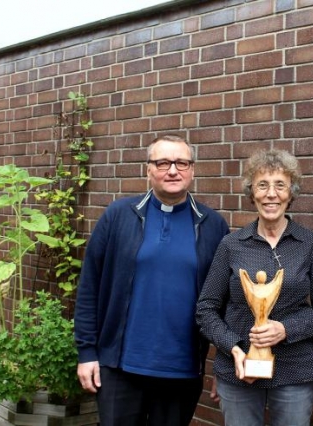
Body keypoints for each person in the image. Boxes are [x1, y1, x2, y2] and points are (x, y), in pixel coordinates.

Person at [74, 134, 229, 426]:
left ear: (192, 169)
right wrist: (87, 353)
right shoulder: (118, 216)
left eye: (181, 162)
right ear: (148, 170)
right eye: (162, 163)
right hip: (120, 367)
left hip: (181, 371)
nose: (173, 170)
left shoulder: (213, 225)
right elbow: (89, 288)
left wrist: (223, 366)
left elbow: (224, 302)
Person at [196, 149, 313, 426]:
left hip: (295, 370)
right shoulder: (231, 245)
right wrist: (234, 349)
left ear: (291, 193)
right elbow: (206, 309)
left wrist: (285, 330)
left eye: (280, 185)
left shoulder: (310, 244)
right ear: (252, 193)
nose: (271, 194)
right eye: (262, 185)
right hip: (239, 370)